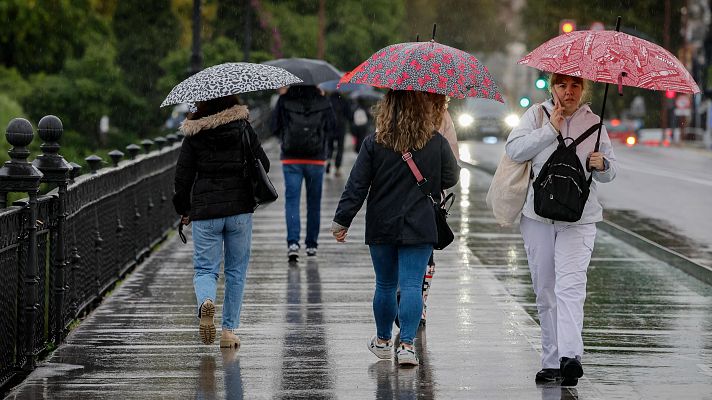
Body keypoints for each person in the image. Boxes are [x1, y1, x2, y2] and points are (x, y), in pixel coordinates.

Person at [331, 90, 460, 366]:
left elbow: (357, 185)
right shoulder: (435, 141)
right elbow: (452, 176)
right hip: (421, 223)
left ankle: (382, 341)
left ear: (387, 109)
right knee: (413, 284)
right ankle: (407, 346)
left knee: (386, 284)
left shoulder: (374, 143)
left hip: (382, 223)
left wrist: (342, 220)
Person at [505, 73, 617, 385]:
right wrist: (549, 131)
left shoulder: (595, 123)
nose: (568, 92)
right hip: (537, 216)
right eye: (562, 85)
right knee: (545, 290)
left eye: (575, 86)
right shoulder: (537, 115)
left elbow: (611, 172)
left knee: (570, 287)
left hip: (580, 218)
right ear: (553, 87)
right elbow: (514, 150)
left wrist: (602, 165)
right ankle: (550, 360)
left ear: (584, 89)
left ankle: (570, 357)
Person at [173, 94, 270, 348]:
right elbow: (265, 164)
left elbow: (182, 177)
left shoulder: (195, 133)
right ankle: (228, 332)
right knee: (236, 271)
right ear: (232, 100)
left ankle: (206, 301)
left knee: (206, 269)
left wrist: (183, 209)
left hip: (205, 212)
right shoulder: (243, 128)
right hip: (239, 209)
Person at [271, 85, 336, 261]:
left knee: (292, 201)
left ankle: (293, 243)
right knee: (314, 203)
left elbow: (274, 126)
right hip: (316, 159)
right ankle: (312, 245)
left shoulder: (284, 100)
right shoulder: (323, 101)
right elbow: (332, 128)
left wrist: (285, 139)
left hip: (291, 158)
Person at [326, 92, 351, 177]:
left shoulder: (328, 100)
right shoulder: (344, 100)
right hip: (341, 127)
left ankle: (328, 161)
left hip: (330, 127)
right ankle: (337, 168)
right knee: (340, 148)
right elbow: (349, 115)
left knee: (329, 146)